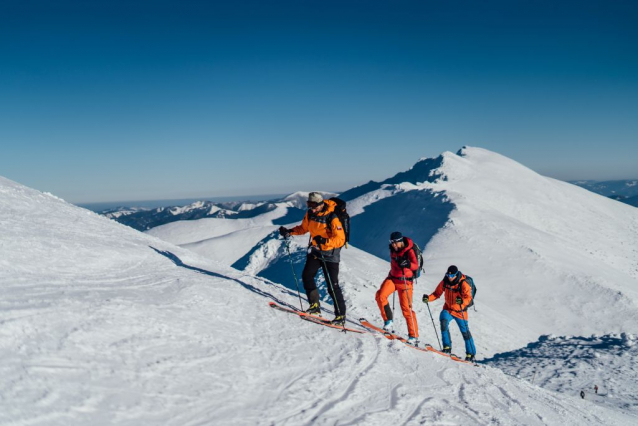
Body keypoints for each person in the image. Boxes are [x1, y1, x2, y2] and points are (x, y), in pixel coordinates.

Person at [278, 192, 347, 325]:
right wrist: (289, 231)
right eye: (310, 205)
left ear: (321, 204)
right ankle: (315, 307)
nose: (312, 208)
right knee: (307, 276)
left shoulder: (332, 217)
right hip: (316, 251)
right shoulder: (310, 214)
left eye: (314, 206)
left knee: (332, 286)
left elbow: (340, 240)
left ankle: (340, 316)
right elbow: (303, 228)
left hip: (330, 254)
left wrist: (324, 241)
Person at [423, 265, 477, 361]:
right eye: (448, 275)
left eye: (452, 276)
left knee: (465, 332)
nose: (449, 277)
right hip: (448, 309)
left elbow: (468, 298)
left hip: (460, 311)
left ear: (456, 275)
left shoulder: (463, 283)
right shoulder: (445, 282)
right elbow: (437, 293)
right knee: (443, 322)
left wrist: (462, 302)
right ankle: (447, 347)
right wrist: (428, 298)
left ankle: (471, 354)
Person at [375, 231, 419, 345]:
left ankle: (413, 336)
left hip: (405, 282)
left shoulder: (409, 250)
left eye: (395, 242)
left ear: (400, 241)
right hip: (393, 278)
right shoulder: (392, 249)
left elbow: (415, 265)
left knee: (406, 309)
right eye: (391, 242)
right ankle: (388, 321)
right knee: (380, 295)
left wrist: (408, 264)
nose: (393, 245)